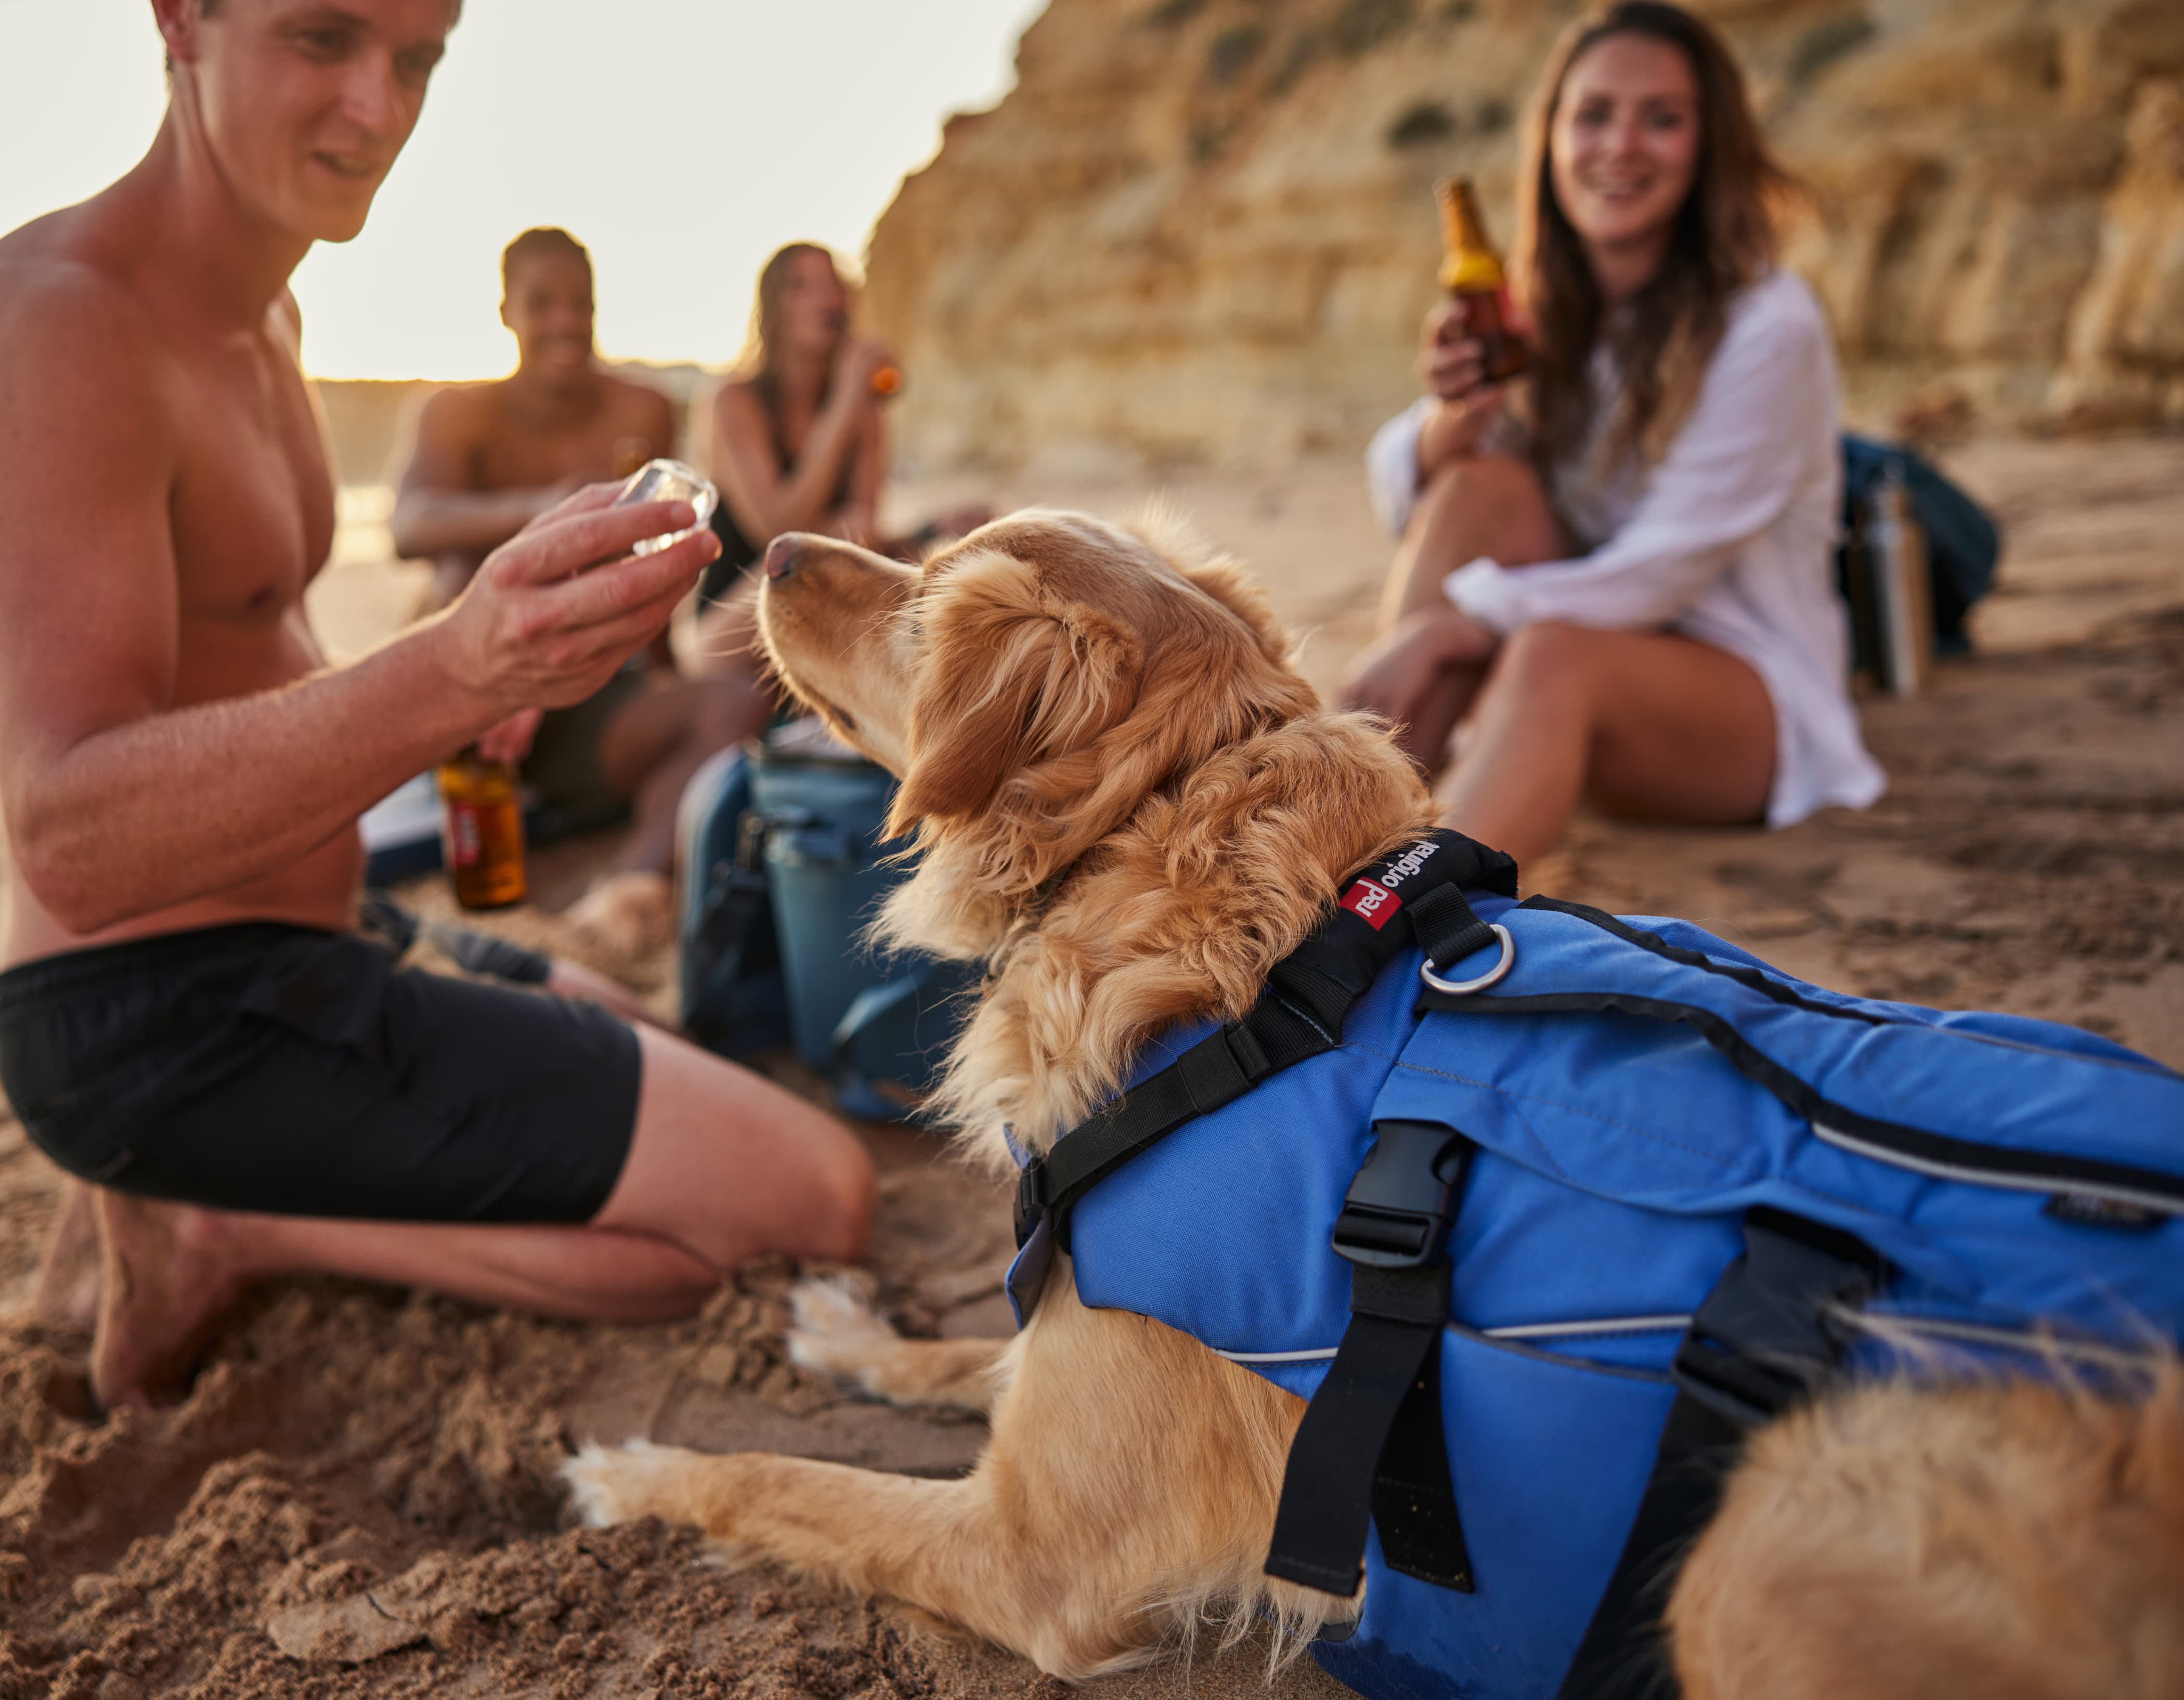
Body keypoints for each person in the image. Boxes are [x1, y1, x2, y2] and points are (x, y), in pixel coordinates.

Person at [0, 0, 873, 1410]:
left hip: (321, 928)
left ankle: (228, 1199)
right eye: (323, 37)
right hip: (159, 1013)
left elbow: (243, 659)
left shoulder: (263, 306)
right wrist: (456, 663)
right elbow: (68, 837)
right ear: (179, 17)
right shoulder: (61, 326)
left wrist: (479, 696)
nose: (379, 109)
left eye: (418, 59)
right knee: (813, 1195)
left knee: (649, 1033)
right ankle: (218, 1219)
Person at [1341, 1, 1884, 869]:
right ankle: (1342, 834)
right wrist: (1454, 422)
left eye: (1662, 119)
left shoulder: (1769, 324)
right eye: (1593, 114)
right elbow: (1402, 489)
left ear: (1710, 147)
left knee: (1557, 656)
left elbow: (1660, 571)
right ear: (1551, 136)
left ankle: (1391, 930)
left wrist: (1453, 626)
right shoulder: (1541, 306)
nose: (1621, 145)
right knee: (1481, 485)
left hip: (1742, 702)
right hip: (1568, 665)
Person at [392, 227, 770, 945]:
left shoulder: (642, 409)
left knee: (731, 708)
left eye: (580, 304)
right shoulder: (456, 411)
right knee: (449, 578)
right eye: (542, 303)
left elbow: (651, 551)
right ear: (507, 311)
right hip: (472, 700)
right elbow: (409, 524)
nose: (565, 322)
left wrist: (666, 682)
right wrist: (550, 511)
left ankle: (620, 902)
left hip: (585, 698)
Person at [693, 244, 988, 671]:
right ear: (772, 309)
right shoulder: (734, 401)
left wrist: (926, 533)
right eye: (801, 287)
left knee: (975, 525)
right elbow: (779, 532)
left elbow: (862, 523)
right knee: (850, 535)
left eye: (832, 284)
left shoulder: (860, 402)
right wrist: (844, 407)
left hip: (827, 587)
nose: (825, 298)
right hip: (729, 626)